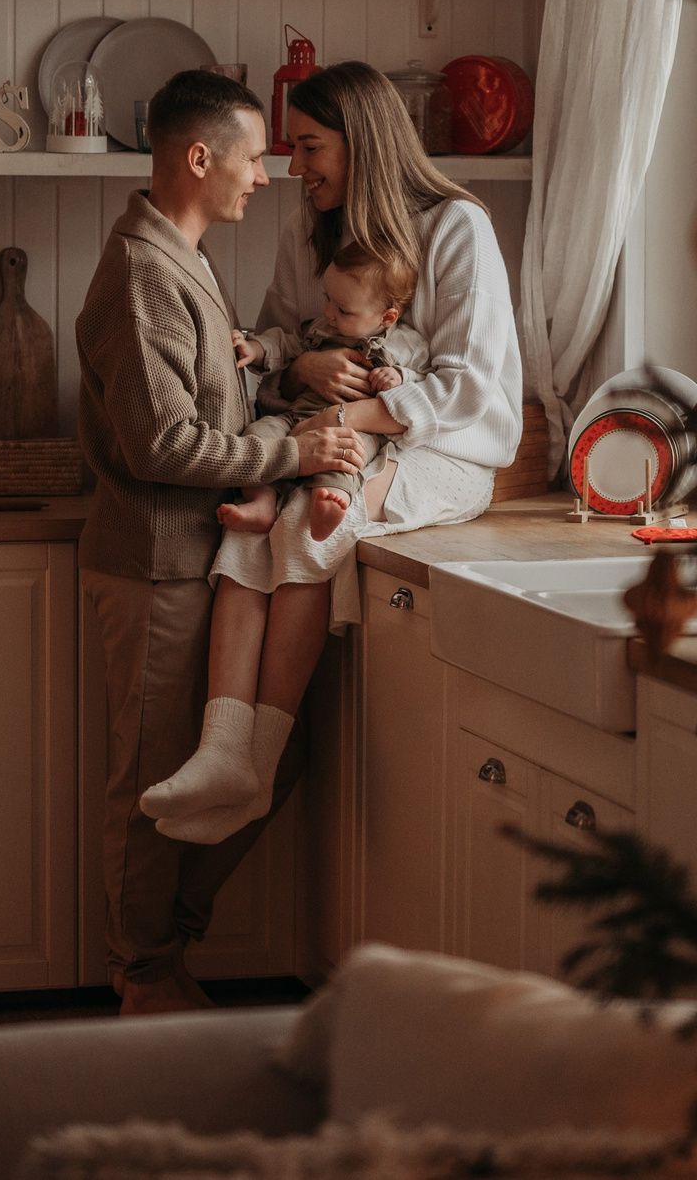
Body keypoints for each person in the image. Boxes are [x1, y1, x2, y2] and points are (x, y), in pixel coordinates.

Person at [136, 60, 523, 849]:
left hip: (442, 453)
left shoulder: (455, 227)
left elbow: (475, 390)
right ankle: (222, 750)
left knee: (306, 525)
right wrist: (302, 372)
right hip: (331, 432)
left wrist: (346, 414)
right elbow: (278, 359)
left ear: (364, 146)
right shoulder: (307, 229)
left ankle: (256, 762)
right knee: (252, 524)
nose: (292, 167)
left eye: (310, 147)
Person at [74, 68, 367, 1017]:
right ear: (199, 159)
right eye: (253, 157)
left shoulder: (182, 258)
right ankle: (142, 972)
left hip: (200, 558)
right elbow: (161, 441)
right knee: (154, 778)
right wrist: (296, 444)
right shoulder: (138, 274)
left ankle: (163, 951)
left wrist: (287, 362)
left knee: (248, 766)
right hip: (157, 564)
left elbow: (213, 389)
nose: (269, 174)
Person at [219, 243, 428, 543]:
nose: (329, 312)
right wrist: (254, 348)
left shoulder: (405, 345)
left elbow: (424, 379)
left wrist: (399, 375)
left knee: (348, 458)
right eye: (327, 299)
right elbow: (285, 344)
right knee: (258, 432)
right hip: (296, 416)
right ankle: (262, 501)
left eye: (343, 310)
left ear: (387, 317)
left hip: (357, 428)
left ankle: (329, 501)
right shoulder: (321, 329)